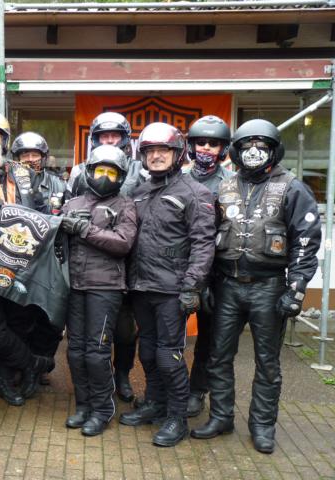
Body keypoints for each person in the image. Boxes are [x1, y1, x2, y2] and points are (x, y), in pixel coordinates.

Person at [191, 119, 321, 454]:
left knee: (268, 363)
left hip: (269, 286)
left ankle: (262, 426)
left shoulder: (292, 188)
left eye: (261, 145)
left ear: (274, 150)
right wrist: (204, 283)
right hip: (226, 284)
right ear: (236, 150)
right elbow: (206, 240)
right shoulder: (224, 187)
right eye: (247, 145)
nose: (253, 151)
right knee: (218, 357)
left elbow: (305, 244)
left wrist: (296, 289)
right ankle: (221, 417)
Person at [120, 122, 216, 447]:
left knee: (168, 356)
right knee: (147, 352)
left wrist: (192, 287)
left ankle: (177, 417)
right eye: (151, 151)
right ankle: (154, 403)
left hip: (172, 290)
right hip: (141, 287)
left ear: (178, 154)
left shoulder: (195, 193)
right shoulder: (139, 192)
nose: (157, 156)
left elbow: (203, 244)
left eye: (163, 150)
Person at [0, 111, 55, 406]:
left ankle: (5, 381)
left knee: (19, 323)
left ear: (4, 142)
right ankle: (33, 364)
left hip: (23, 265)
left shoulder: (25, 174)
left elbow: (42, 212)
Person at [61, 145, 137, 436]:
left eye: (111, 172)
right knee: (75, 351)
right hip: (74, 285)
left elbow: (123, 243)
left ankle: (102, 409)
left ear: (120, 177)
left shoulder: (125, 205)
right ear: (89, 172)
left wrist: (85, 229)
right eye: (100, 170)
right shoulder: (73, 203)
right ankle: (83, 405)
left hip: (106, 287)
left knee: (97, 351)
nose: (105, 176)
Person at [69, 111, 143, 403]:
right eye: (103, 136)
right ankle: (92, 395)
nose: (109, 140)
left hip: (128, 264)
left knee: (124, 332)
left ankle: (121, 375)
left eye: (114, 136)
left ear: (125, 140)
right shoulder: (79, 172)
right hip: (86, 269)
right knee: (84, 342)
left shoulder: (140, 171)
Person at [184, 115, 235, 418]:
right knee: (166, 335)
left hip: (215, 271)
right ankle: (168, 390)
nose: (206, 148)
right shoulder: (178, 176)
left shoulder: (231, 184)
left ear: (223, 148)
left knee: (208, 338)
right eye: (201, 142)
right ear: (191, 146)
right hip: (176, 266)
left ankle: (196, 391)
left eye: (213, 143)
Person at [9, 131, 67, 384]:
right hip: (19, 260)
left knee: (49, 318)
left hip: (51, 260)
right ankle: (20, 365)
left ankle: (42, 364)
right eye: (25, 154)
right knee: (19, 317)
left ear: (44, 157)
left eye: (35, 154)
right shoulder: (8, 184)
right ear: (16, 158)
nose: (30, 159)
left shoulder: (59, 185)